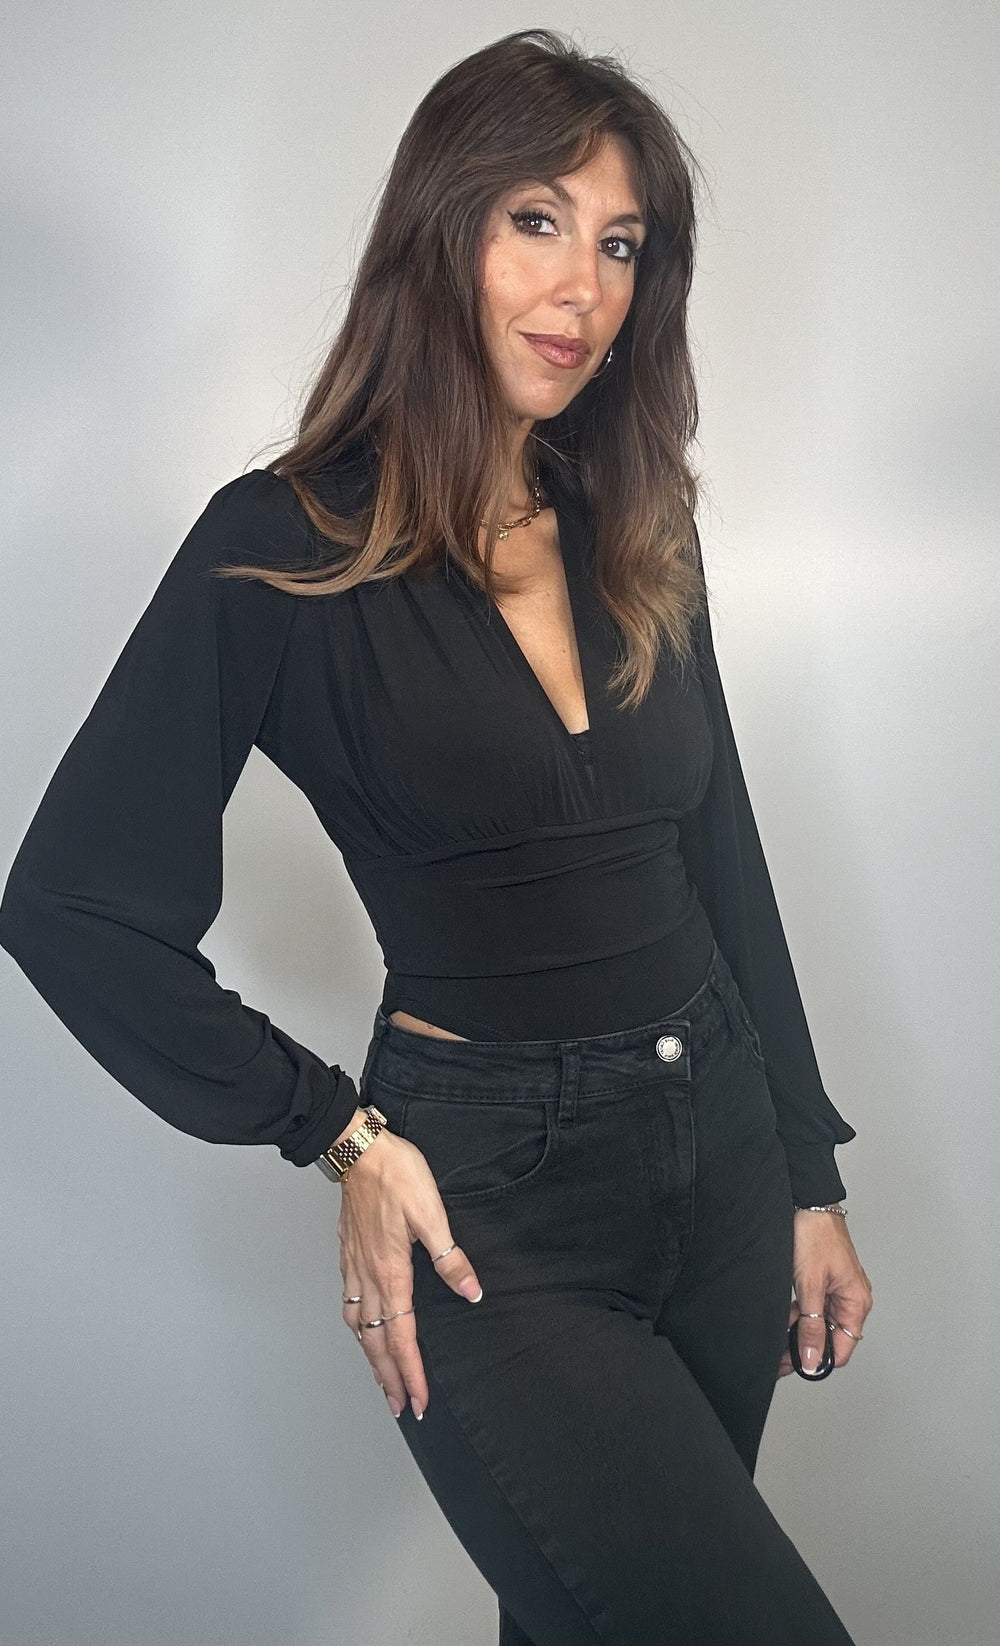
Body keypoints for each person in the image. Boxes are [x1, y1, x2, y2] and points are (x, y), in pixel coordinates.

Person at [0, 27, 873, 1646]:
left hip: (723, 1152)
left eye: (622, 244)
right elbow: (71, 904)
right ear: (441, 231)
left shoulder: (633, 521)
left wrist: (807, 1170)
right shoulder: (280, 546)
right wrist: (334, 1130)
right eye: (538, 221)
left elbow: (718, 849)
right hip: (489, 1209)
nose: (584, 287)